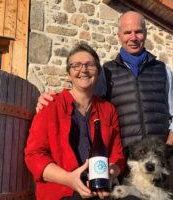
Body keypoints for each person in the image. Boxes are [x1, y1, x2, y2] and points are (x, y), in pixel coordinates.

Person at [36, 11, 173, 199]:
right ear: (118, 36)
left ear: (146, 34)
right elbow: (85, 96)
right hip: (126, 164)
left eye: (138, 32)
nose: (133, 37)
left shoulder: (163, 70)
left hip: (161, 163)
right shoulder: (106, 72)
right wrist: (48, 99)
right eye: (127, 33)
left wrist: (164, 150)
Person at [25, 44, 125, 200]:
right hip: (62, 192)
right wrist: (69, 179)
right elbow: (34, 155)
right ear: (68, 74)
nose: (83, 70)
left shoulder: (108, 110)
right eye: (76, 65)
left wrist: (112, 172)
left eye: (90, 65)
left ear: (97, 72)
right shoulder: (50, 105)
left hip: (101, 191)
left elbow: (117, 155)